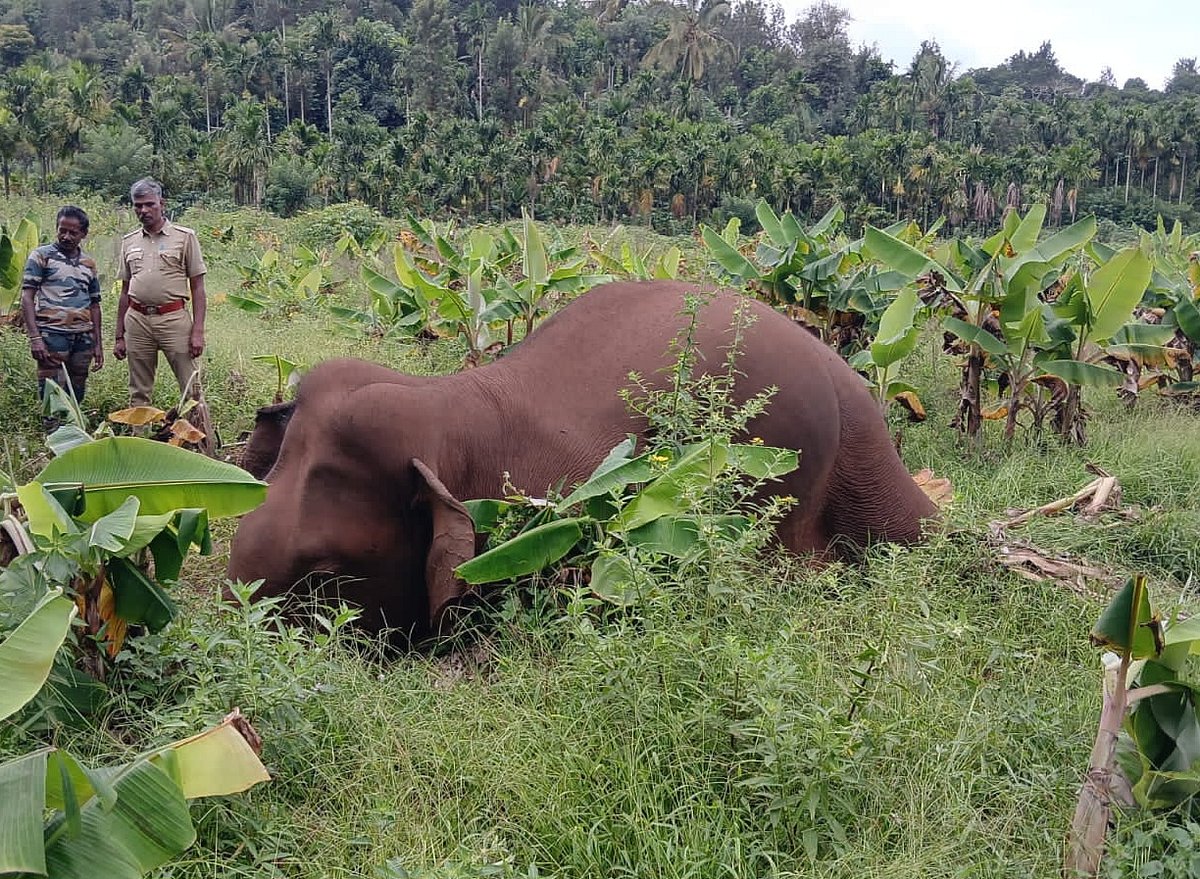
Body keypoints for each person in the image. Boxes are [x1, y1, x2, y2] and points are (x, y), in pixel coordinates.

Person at [113, 178, 208, 407]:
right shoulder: (129, 242)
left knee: (190, 388)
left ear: (161, 203)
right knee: (138, 391)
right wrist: (118, 335)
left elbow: (197, 287)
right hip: (137, 321)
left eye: (149, 204)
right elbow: (125, 291)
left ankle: (199, 440)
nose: (143, 210)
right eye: (138, 205)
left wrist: (197, 331)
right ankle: (139, 440)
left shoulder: (184, 237)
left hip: (173, 319)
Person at [20, 205, 104, 417]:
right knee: (51, 391)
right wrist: (35, 337)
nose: (66, 236)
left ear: (83, 234)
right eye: (62, 230)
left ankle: (73, 431)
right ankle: (53, 437)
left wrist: (98, 344)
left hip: (82, 336)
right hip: (52, 335)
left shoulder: (88, 264)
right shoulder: (41, 256)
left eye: (72, 232)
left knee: (77, 389)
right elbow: (27, 297)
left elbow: (95, 304)